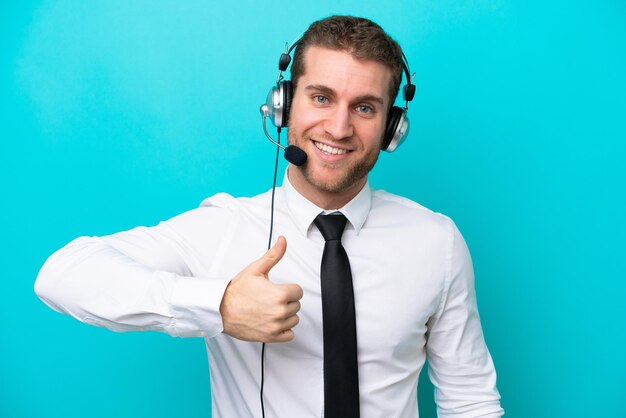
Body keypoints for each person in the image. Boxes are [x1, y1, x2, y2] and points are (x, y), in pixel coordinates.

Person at [35, 15, 504, 418]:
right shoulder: (224, 227)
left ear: (391, 128)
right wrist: (218, 305)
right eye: (321, 98)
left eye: (364, 107)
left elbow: (470, 400)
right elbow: (61, 274)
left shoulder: (436, 242)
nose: (338, 128)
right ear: (283, 104)